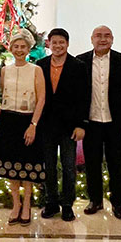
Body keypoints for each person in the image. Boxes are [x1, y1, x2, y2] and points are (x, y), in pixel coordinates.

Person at [77, 25, 121, 220]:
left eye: (107, 36)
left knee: (117, 164)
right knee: (92, 163)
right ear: (91, 38)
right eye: (98, 36)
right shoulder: (81, 61)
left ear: (113, 39)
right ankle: (95, 200)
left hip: (115, 122)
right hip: (91, 121)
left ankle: (118, 203)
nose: (103, 39)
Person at [0, 28, 45, 225]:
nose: (19, 50)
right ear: (11, 48)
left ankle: (27, 204)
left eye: (23, 47)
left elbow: (41, 99)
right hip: (8, 121)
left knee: (27, 164)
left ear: (29, 48)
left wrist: (34, 125)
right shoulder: (5, 70)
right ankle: (15, 204)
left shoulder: (36, 70)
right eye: (16, 46)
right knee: (10, 163)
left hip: (27, 120)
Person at [39, 28, 89, 221]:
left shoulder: (78, 66)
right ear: (49, 44)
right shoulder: (40, 65)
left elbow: (84, 98)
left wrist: (81, 125)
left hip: (70, 126)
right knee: (49, 166)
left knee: (68, 166)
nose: (58, 46)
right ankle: (51, 202)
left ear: (67, 44)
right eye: (54, 42)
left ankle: (67, 204)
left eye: (62, 42)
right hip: (47, 125)